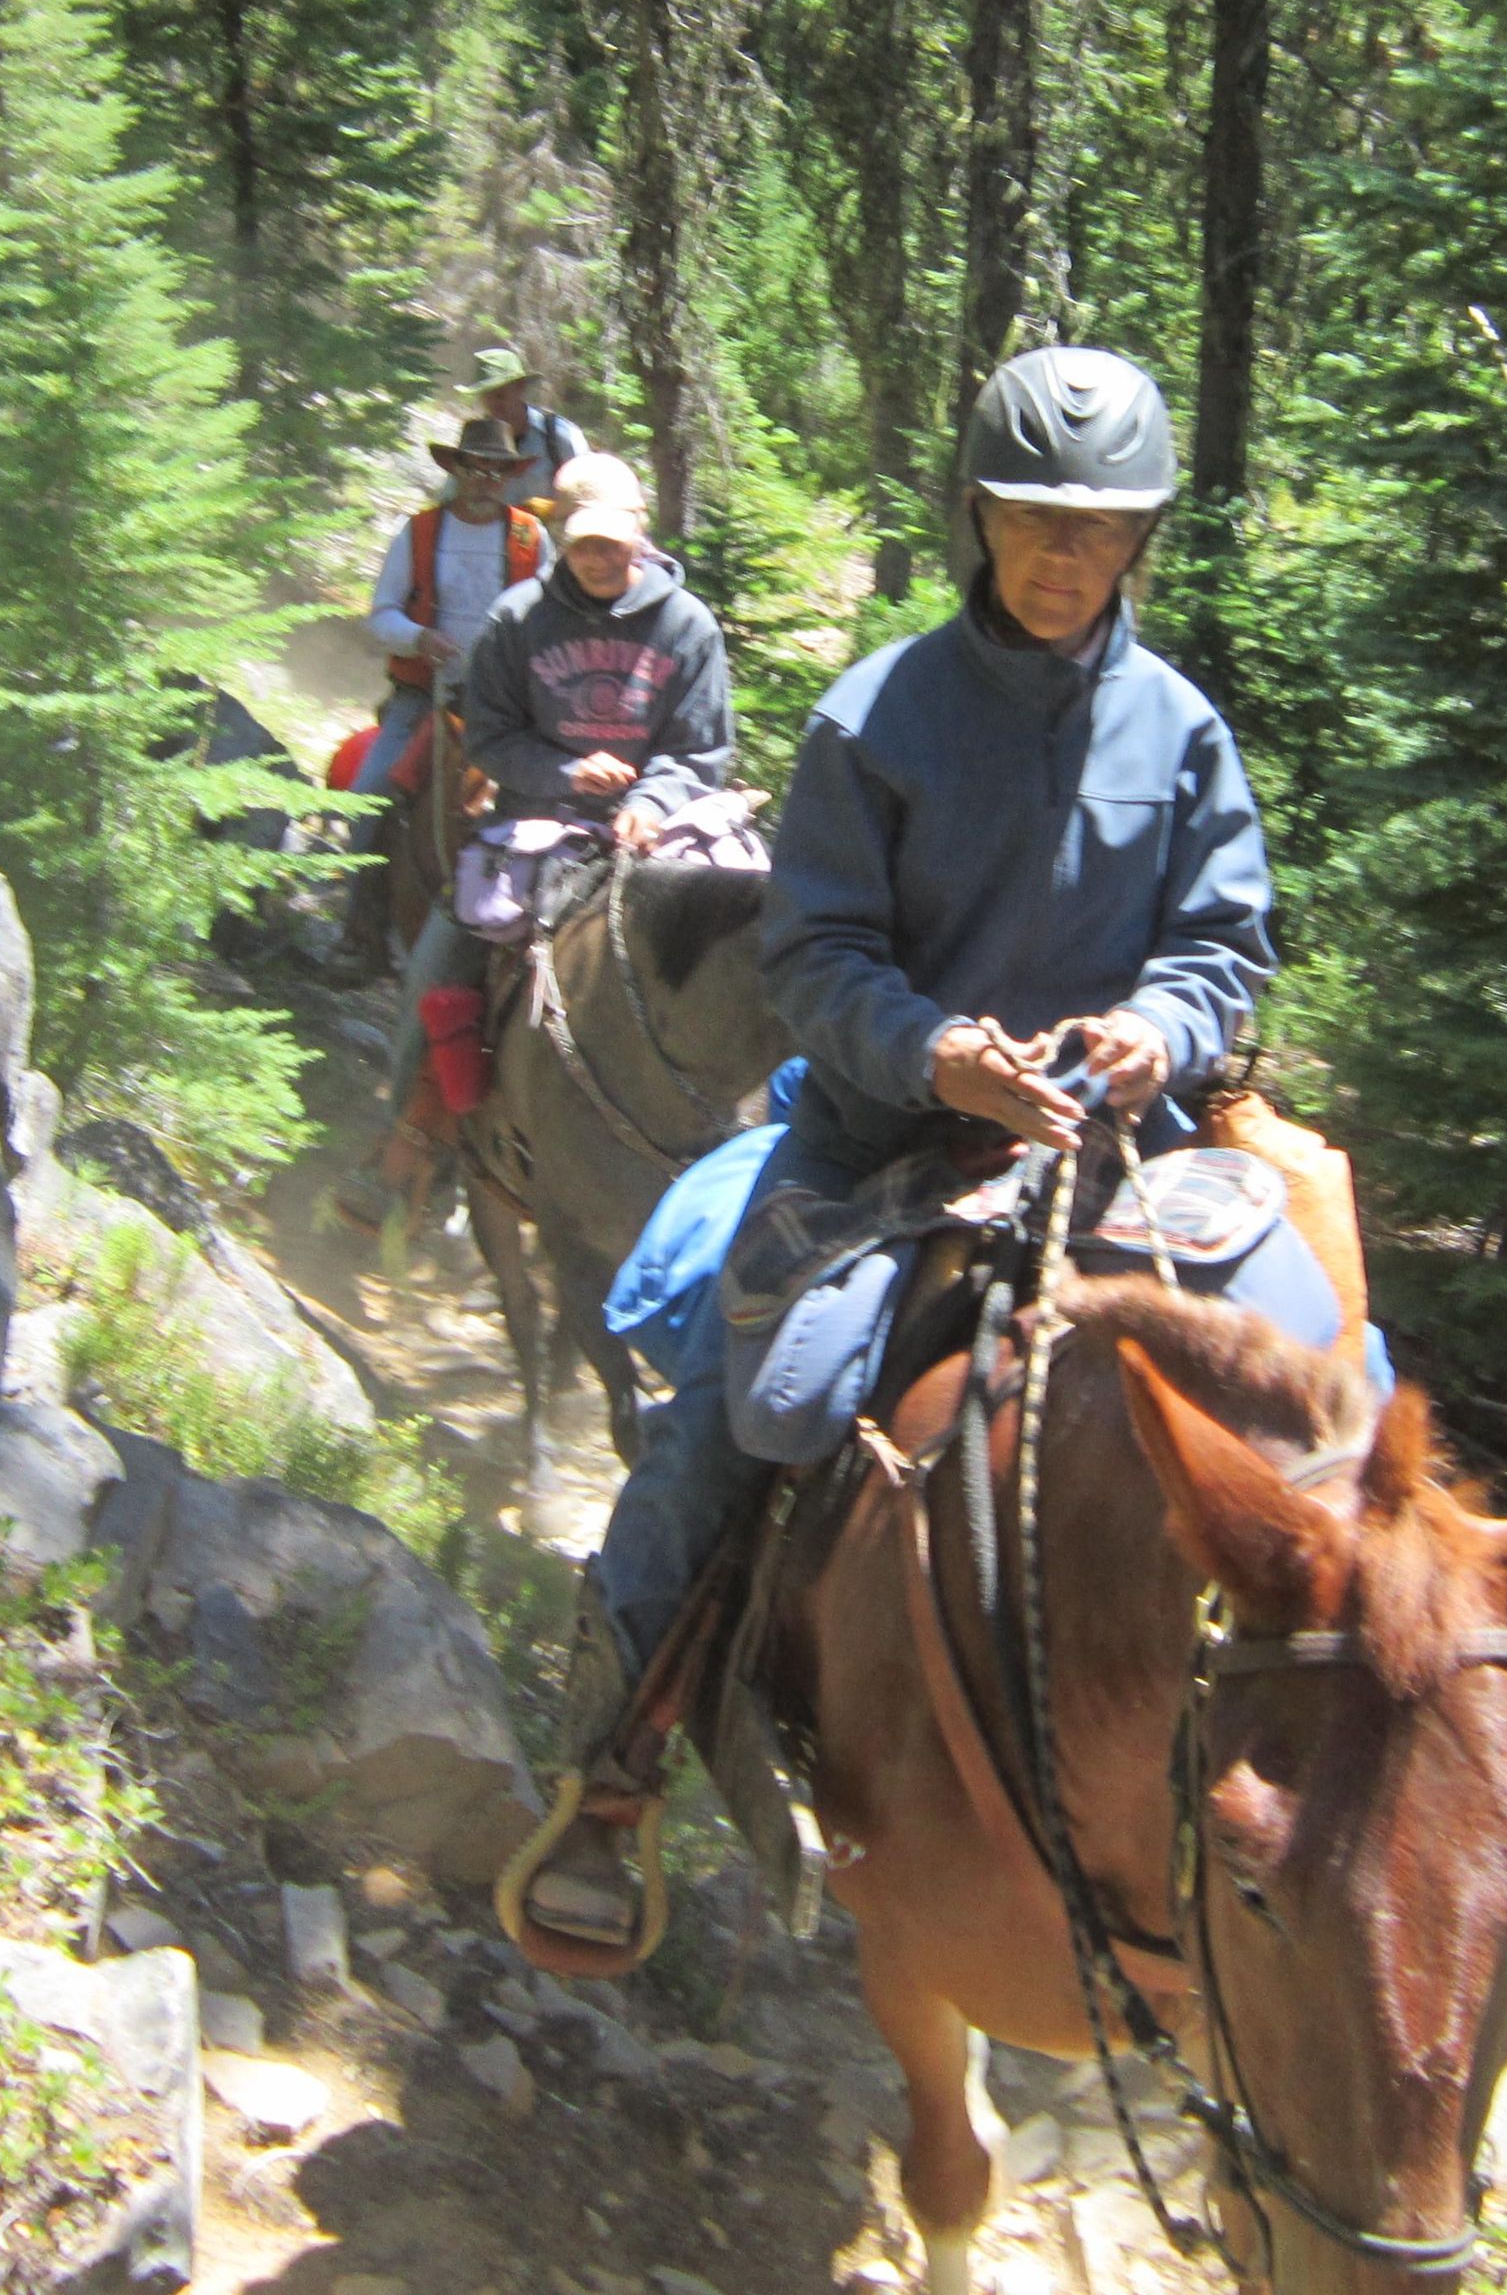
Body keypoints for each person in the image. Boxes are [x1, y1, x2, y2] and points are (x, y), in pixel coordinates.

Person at [516, 346, 1281, 1950]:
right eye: (1032, 520)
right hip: (884, 1153)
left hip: (1113, 1162)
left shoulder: (1184, 732)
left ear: (1140, 540)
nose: (1063, 557)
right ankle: (614, 1778)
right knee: (745, 1414)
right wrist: (936, 1053)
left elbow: (1225, 947)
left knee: (1315, 1394)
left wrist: (1169, 1027)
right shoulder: (880, 715)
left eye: (1099, 528)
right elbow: (811, 955)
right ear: (979, 518)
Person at [349, 451, 736, 1220]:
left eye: (612, 543)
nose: (598, 558)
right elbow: (489, 735)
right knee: (437, 967)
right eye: (582, 542)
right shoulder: (518, 619)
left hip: (652, 831)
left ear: (640, 537)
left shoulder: (687, 626)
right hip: (535, 823)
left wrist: (653, 799)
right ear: (559, 535)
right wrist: (563, 771)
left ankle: (732, 1160)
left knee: (737, 953)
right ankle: (401, 1147)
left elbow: (701, 749)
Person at [355, 411, 550, 816]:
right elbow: (381, 618)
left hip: (508, 703)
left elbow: (553, 620)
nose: (486, 482)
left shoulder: (530, 536)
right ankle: (347, 878)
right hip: (425, 695)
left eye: (497, 473)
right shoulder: (419, 531)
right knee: (369, 795)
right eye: (477, 469)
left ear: (511, 476)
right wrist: (420, 639)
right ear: (457, 470)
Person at [470, 342, 588, 504]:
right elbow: (452, 500)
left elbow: (587, 495)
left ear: (520, 387)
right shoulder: (474, 443)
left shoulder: (559, 435)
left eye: (499, 394)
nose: (493, 404)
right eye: (486, 395)